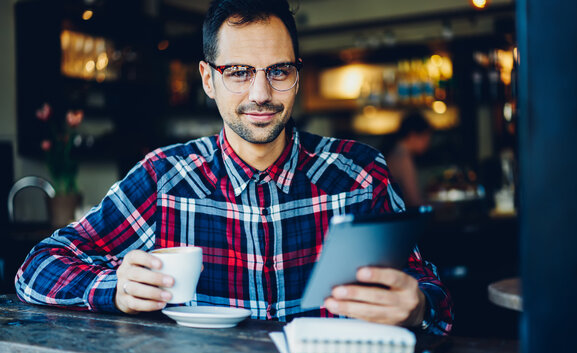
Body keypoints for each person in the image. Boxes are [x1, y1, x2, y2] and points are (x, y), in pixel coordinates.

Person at [15, 0, 452, 335]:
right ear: (208, 79)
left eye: (278, 70)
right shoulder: (162, 179)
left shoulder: (359, 174)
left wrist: (418, 307)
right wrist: (115, 289)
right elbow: (36, 267)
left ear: (297, 75)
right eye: (239, 72)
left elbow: (430, 292)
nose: (261, 92)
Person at [384, 112, 433, 208]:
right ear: (413, 135)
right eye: (426, 138)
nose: (428, 144)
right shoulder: (402, 157)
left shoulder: (396, 151)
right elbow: (414, 201)